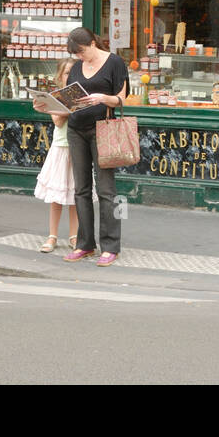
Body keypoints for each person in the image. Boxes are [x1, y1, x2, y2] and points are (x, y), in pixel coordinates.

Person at [60, 28, 128, 267]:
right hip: (76, 129)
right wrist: (49, 106)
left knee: (107, 190)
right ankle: (85, 244)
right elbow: (68, 100)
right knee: (81, 189)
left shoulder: (114, 62)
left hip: (103, 129)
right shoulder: (77, 67)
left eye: (81, 51)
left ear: (91, 43)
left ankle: (110, 246)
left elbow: (122, 99)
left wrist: (101, 98)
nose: (80, 57)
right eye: (76, 54)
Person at [32, 59, 79, 253]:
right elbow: (58, 121)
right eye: (66, 73)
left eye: (73, 72)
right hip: (61, 147)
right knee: (56, 196)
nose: (69, 76)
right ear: (60, 76)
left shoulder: (80, 95)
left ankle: (75, 235)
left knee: (76, 194)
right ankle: (52, 235)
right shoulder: (57, 96)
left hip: (78, 146)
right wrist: (68, 106)